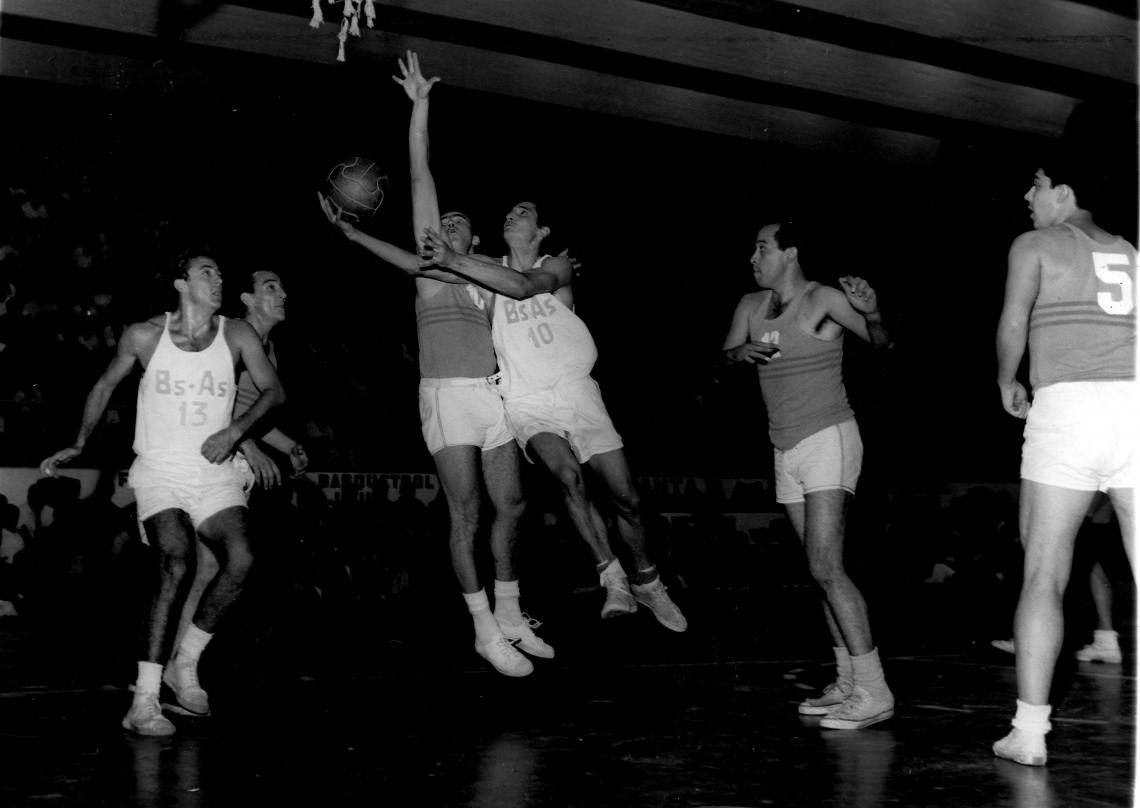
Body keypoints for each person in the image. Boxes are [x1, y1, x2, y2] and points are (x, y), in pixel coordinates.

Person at [319, 51, 544, 677]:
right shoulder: (432, 274)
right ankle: (481, 628)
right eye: (440, 222)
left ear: (474, 241)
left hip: (492, 393)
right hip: (446, 395)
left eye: (457, 223)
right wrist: (420, 108)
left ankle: (508, 609)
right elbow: (421, 179)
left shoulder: (491, 283)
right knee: (466, 511)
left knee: (515, 504)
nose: (445, 224)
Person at [40, 249, 285, 735]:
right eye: (206, 272)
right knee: (176, 560)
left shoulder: (237, 334)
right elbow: (105, 384)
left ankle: (184, 663)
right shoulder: (145, 334)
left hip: (212, 472)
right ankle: (144, 700)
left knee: (242, 558)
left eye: (219, 272)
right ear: (181, 283)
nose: (217, 279)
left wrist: (235, 433)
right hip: (159, 471)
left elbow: (274, 391)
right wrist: (79, 441)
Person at [419, 201, 689, 635]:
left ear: (541, 230)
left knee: (627, 498)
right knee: (566, 475)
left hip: (577, 393)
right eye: (507, 212)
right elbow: (433, 267)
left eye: (522, 211)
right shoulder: (486, 271)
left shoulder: (557, 265)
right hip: (526, 399)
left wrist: (458, 258)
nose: (511, 214)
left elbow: (527, 286)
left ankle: (649, 581)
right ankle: (613, 577)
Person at [992, 153, 1136, 766]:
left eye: (1038, 183)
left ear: (1065, 192)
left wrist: (1006, 381)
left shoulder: (1036, 243)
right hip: (1134, 407)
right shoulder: (1132, 252)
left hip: (1069, 409)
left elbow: (1013, 323)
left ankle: (1029, 733)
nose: (1029, 194)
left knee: (1044, 572)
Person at [721, 220, 893, 730]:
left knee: (826, 567)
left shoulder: (823, 300)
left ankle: (875, 690)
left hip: (829, 437)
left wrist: (874, 313)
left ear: (790, 253)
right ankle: (847, 681)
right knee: (820, 571)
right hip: (784, 446)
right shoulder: (751, 306)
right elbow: (728, 354)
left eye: (762, 248)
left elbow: (882, 343)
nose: (753, 258)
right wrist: (739, 353)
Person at [170, 267, 310, 685]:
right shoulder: (232, 337)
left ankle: (179, 661)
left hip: (234, 461)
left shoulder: (268, 348)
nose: (282, 292)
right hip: (213, 455)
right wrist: (247, 446)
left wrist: (287, 447)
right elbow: (215, 404)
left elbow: (253, 411)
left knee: (210, 569)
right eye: (271, 286)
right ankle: (177, 663)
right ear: (247, 299)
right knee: (213, 566)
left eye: (282, 285)